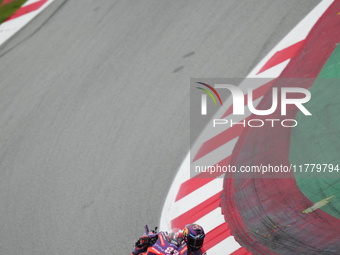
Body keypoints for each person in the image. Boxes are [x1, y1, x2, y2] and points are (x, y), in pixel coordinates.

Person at [131, 223, 206, 255]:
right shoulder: (179, 236)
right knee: (141, 244)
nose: (196, 245)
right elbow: (165, 235)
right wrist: (151, 237)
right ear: (186, 237)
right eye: (194, 241)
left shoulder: (201, 252)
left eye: (199, 242)